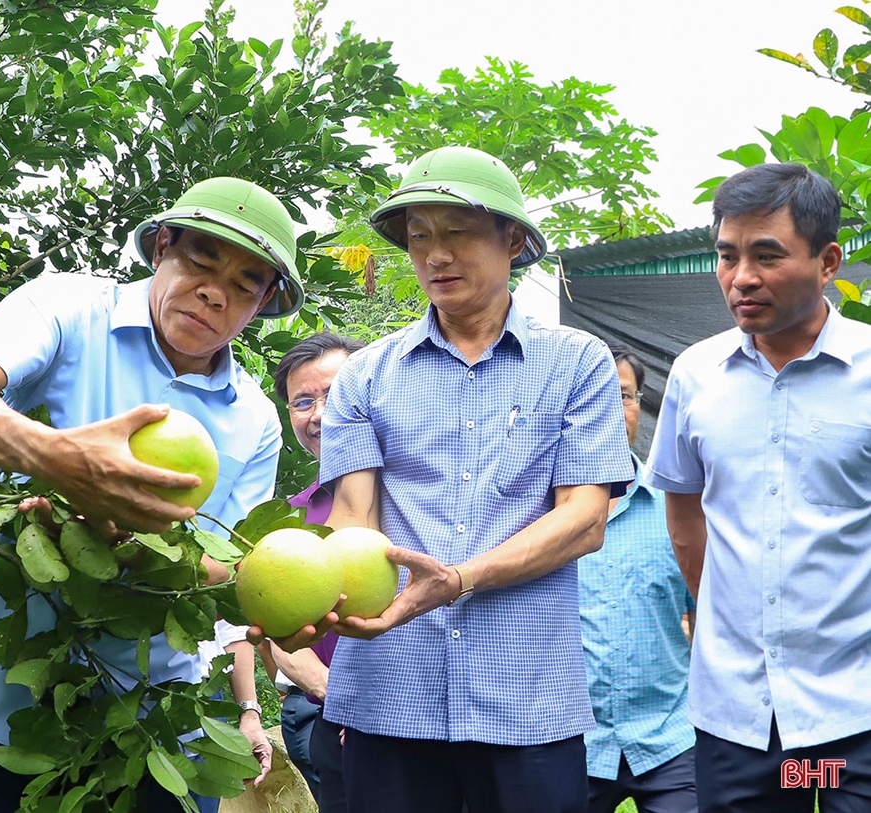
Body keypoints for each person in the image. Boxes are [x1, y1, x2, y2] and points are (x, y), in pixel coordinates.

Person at [0, 176, 303, 813]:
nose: (213, 292)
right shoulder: (67, 308)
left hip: (155, 725)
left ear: (264, 303)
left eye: (245, 284)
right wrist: (56, 457)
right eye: (202, 260)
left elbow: (224, 564)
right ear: (162, 246)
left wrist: (137, 552)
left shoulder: (254, 419)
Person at [259, 146, 632, 813]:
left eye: (456, 231)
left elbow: (584, 519)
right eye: (420, 236)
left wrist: (459, 579)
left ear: (513, 239)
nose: (435, 254)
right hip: (389, 696)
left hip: (527, 701)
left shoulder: (577, 364)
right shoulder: (366, 377)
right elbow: (353, 521)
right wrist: (308, 603)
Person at [646, 162, 871, 812]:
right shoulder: (695, 376)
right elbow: (683, 510)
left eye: (767, 256)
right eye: (727, 256)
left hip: (849, 717)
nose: (741, 277)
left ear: (828, 261)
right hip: (738, 719)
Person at [578, 344, 697, 813]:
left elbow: (705, 614)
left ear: (641, 408)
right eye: (593, 396)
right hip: (568, 741)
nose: (610, 411)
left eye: (623, 396)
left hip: (671, 737)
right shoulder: (534, 517)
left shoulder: (678, 509)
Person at [264, 332, 362, 810]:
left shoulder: (421, 498)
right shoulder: (290, 519)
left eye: (336, 393)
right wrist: (338, 699)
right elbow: (273, 631)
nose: (319, 414)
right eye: (303, 402)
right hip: (332, 724)